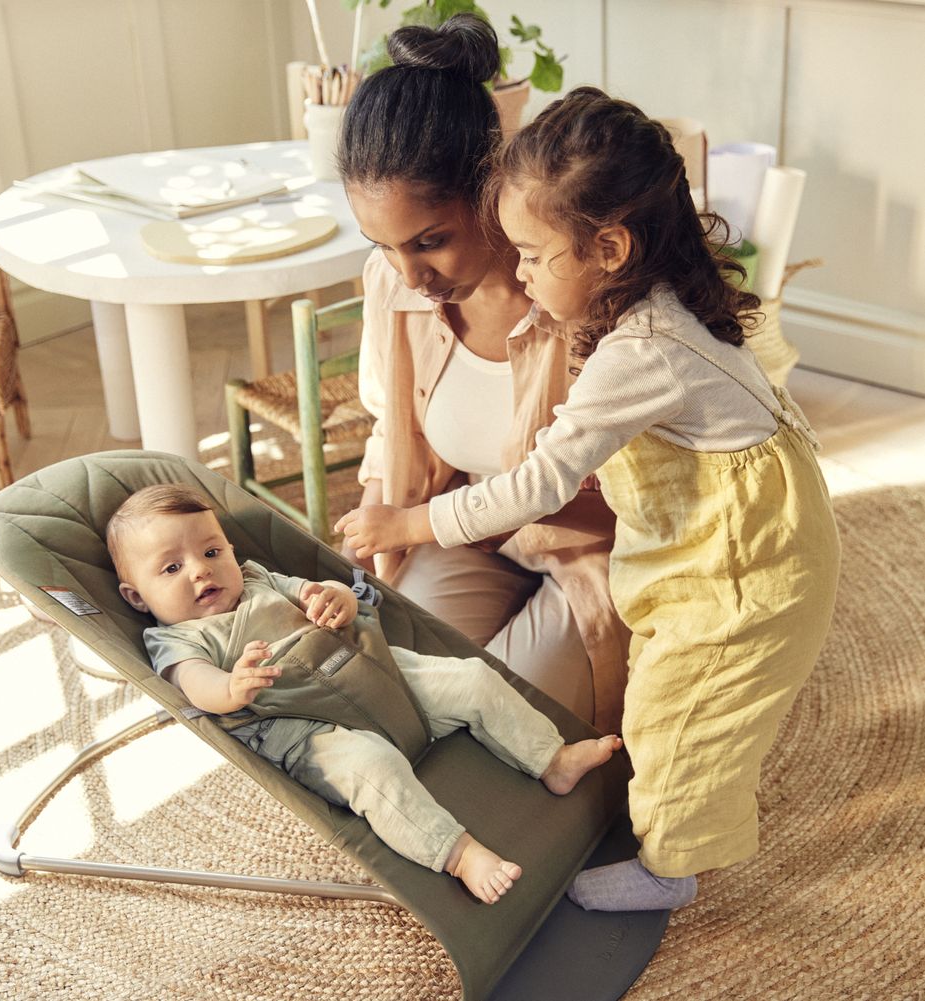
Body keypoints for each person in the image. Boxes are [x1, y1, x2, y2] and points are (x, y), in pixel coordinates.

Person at [336, 87, 841, 912]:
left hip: (729, 559)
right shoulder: (632, 301)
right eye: (383, 247)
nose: (520, 272)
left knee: (674, 711)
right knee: (413, 671)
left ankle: (668, 864)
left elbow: (539, 483)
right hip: (684, 540)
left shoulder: (625, 344)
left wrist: (410, 522)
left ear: (606, 248)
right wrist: (385, 527)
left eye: (528, 255)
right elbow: (395, 428)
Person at [105, 483, 622, 905]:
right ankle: (458, 853)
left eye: (211, 551)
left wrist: (336, 601)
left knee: (471, 678)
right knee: (374, 771)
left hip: (369, 670)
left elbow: (317, 592)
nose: (200, 569)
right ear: (136, 596)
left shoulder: (257, 579)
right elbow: (194, 684)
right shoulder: (174, 639)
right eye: (171, 568)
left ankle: (549, 758)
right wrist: (231, 687)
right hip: (308, 726)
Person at [336, 13, 629, 732]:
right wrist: (370, 540)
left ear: (491, 188)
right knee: (402, 694)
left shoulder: (583, 295)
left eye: (429, 241)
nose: (409, 274)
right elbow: (392, 428)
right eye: (383, 245)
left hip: (595, 549)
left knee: (503, 726)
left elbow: (638, 496)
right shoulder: (392, 283)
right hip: (462, 529)